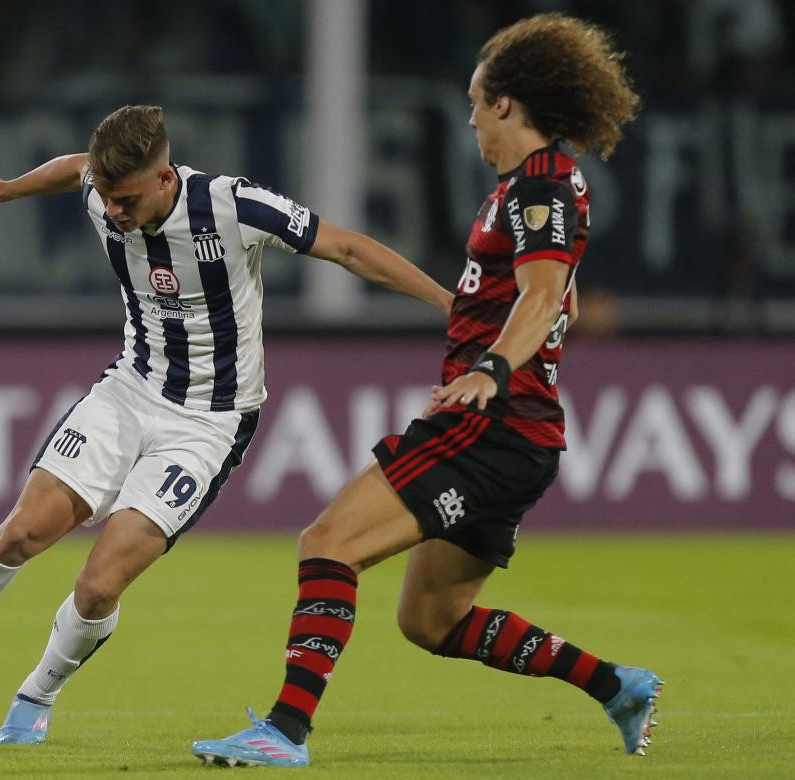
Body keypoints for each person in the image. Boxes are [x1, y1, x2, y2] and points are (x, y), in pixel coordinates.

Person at [0, 105, 453, 744]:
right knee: (21, 533)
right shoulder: (102, 189)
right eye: (106, 197)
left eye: (126, 199)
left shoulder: (232, 206)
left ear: (165, 178)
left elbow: (348, 248)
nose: (114, 212)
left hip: (209, 424)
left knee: (100, 582)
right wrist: (6, 189)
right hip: (129, 392)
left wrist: (447, 303)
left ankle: (36, 695)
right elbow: (76, 169)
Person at [191, 13, 655, 768]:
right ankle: (616, 685)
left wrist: (492, 368)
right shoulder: (533, 188)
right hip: (521, 436)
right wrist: (511, 319)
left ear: (507, 103)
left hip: (491, 424)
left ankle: (283, 732)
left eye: (476, 102)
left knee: (328, 544)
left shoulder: (540, 184)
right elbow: (556, 297)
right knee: (432, 619)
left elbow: (543, 301)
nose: (470, 117)